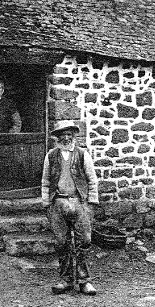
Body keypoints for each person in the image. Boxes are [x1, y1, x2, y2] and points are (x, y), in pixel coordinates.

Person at [41, 121, 99, 295]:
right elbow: (45, 181)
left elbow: (92, 180)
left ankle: (84, 281)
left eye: (69, 134)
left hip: (79, 202)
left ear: (74, 137)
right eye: (62, 135)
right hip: (58, 202)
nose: (66, 138)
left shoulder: (82, 155)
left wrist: (91, 203)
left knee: (85, 241)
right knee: (61, 243)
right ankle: (65, 280)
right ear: (57, 137)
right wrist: (46, 203)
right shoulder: (51, 156)